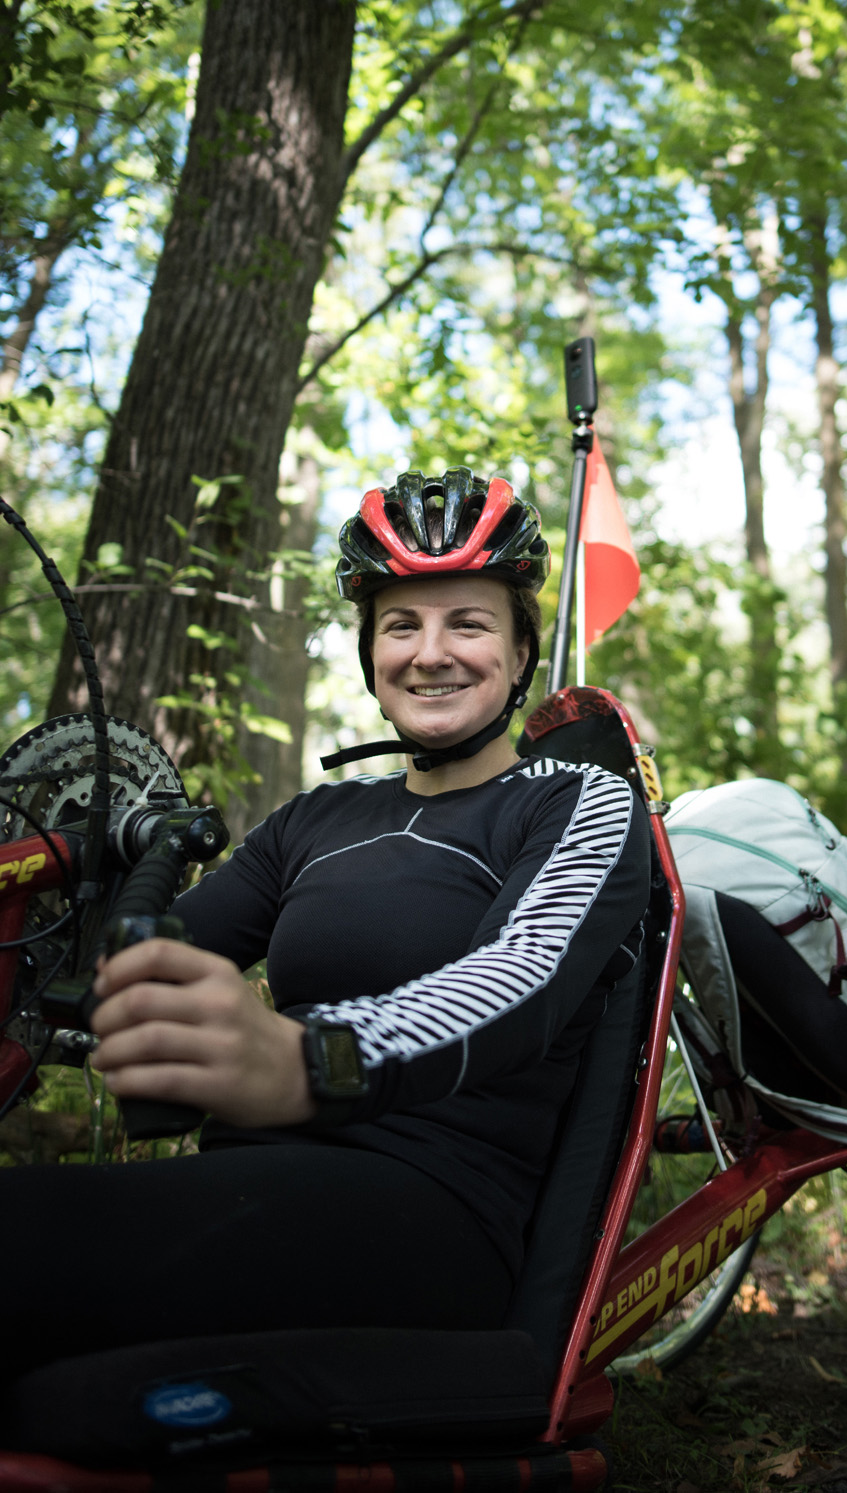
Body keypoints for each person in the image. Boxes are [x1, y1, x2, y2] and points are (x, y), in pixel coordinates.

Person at [1, 466, 651, 1375]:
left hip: (434, 1204)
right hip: (242, 1177)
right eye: (400, 624)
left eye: (468, 622)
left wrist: (308, 1055)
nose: (431, 652)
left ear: (519, 651)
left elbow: (524, 974)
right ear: (368, 653)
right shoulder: (316, 819)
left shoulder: (574, 797)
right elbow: (157, 952)